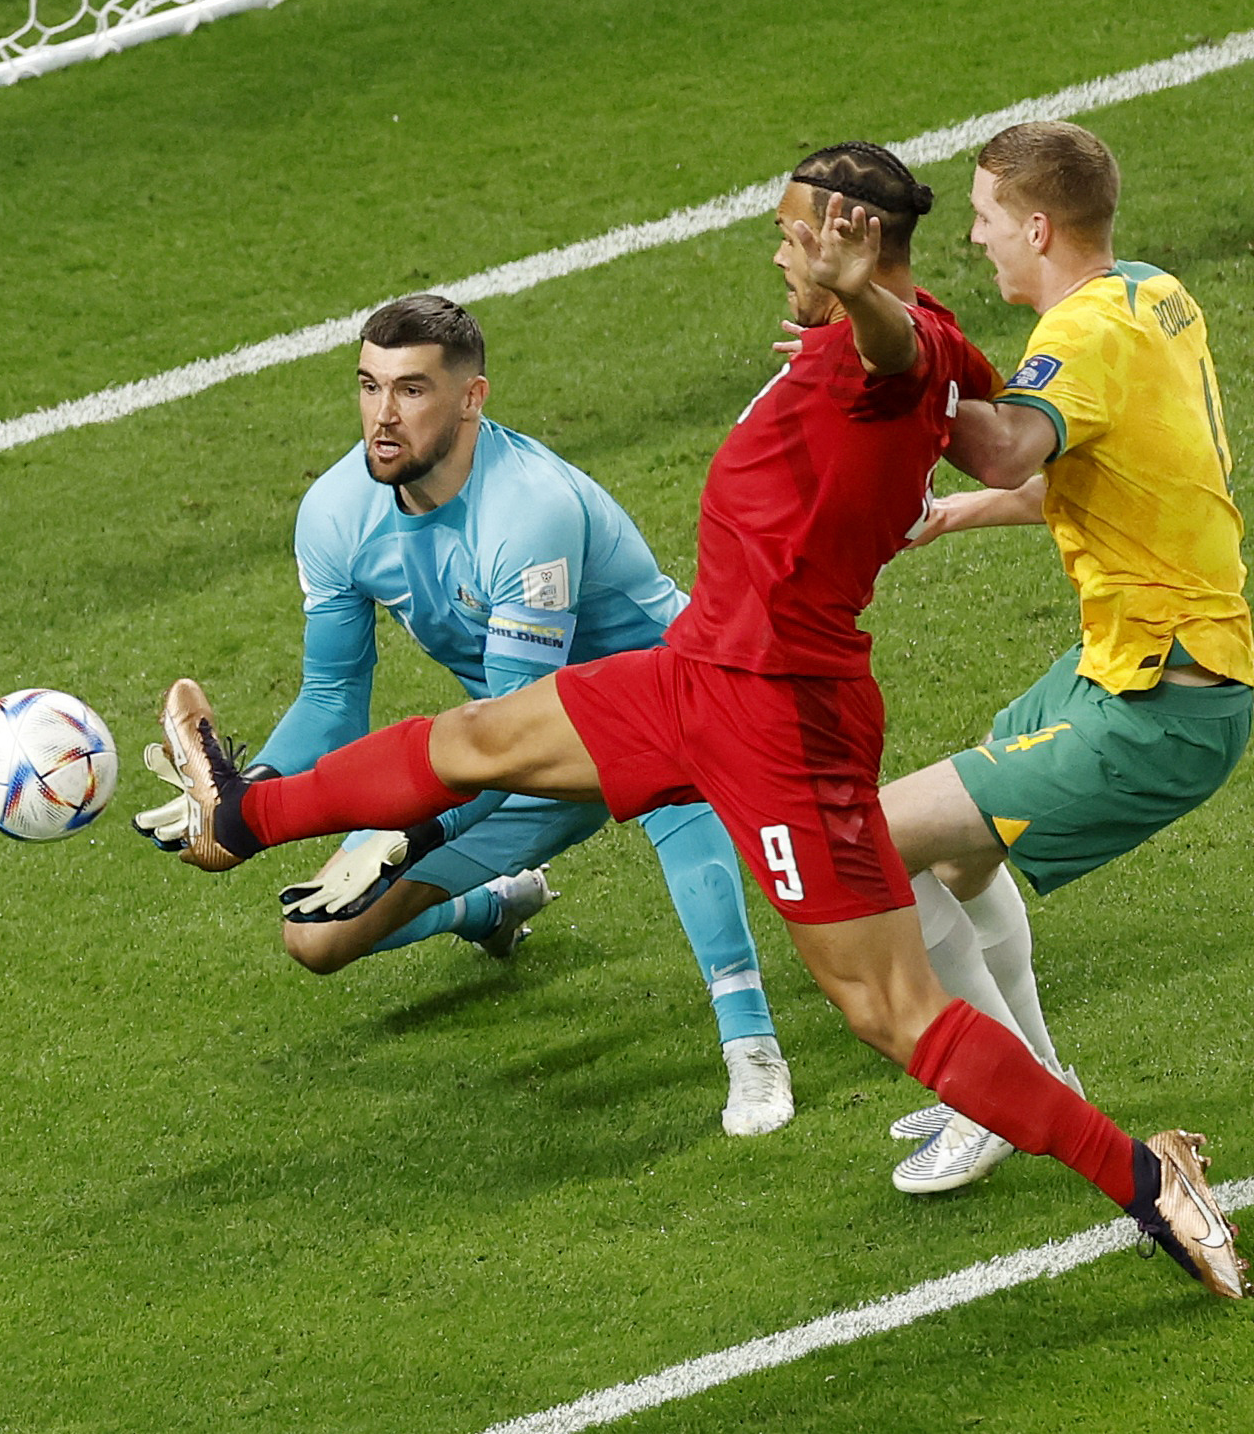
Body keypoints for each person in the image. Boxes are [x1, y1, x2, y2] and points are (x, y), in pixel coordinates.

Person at [138, 143, 1250, 1297]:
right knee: (478, 737)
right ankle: (244, 812)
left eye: (792, 234)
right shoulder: (895, 344)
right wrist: (857, 322)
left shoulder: (898, 342)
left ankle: (1144, 1176)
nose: (777, 251)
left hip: (782, 716)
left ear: (848, 239)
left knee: (888, 1007)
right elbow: (951, 398)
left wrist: (864, 305)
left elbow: (905, 356)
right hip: (700, 670)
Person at [136, 294, 795, 1138]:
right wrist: (243, 790)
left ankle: (753, 1046)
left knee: (676, 791)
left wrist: (410, 832)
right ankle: (493, 906)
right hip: (516, 739)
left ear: (472, 398)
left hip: (684, 702)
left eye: (411, 391)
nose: (383, 417)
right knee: (315, 939)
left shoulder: (529, 512)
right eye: (369, 387)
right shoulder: (337, 514)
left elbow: (513, 743)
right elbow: (334, 700)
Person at [873, 120, 1254, 1197]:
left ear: (1037, 226)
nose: (978, 243)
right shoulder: (1151, 294)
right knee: (958, 858)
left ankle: (990, 1097)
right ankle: (1034, 1075)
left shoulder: (1078, 335)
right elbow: (1104, 478)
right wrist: (956, 515)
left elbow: (1008, 440)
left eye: (987, 222)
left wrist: (910, 360)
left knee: (867, 843)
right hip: (1133, 664)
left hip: (1155, 707)